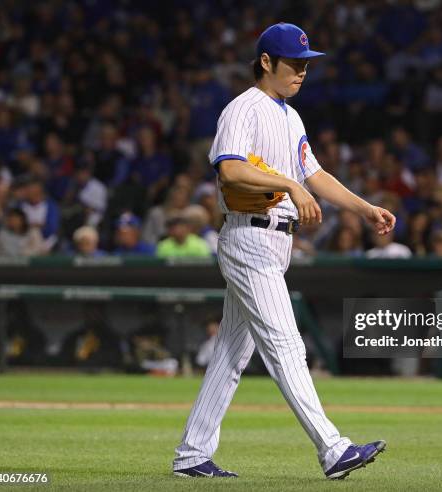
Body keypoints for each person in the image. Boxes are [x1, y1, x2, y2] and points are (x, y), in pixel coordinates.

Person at [173, 23, 394, 480]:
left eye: (307, 64)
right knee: (287, 345)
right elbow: (231, 171)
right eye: (294, 63)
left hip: (277, 240)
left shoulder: (291, 116)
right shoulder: (244, 108)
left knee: (231, 354)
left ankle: (192, 455)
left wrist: (365, 208)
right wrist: (287, 182)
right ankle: (333, 449)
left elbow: (316, 176)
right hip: (249, 236)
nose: (302, 72)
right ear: (266, 62)